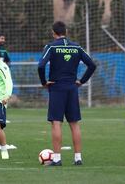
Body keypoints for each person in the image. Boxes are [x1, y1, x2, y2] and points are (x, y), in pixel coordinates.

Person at [38, 21, 96, 166]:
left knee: (56, 122)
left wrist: (44, 82)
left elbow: (40, 66)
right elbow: (92, 65)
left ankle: (57, 159)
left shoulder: (51, 46)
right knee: (74, 124)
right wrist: (81, 81)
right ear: (66, 31)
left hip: (57, 88)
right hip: (72, 88)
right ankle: (78, 158)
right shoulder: (76, 47)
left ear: (53, 33)